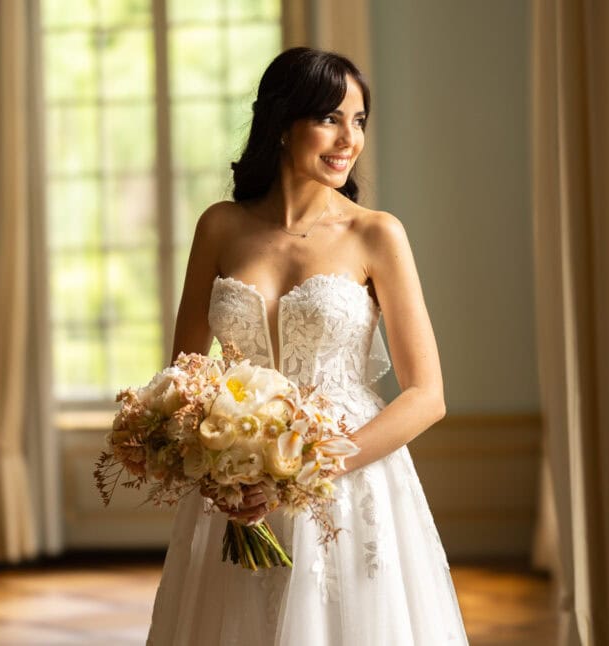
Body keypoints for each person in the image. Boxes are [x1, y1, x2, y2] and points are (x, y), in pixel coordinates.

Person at [146, 47, 469, 645]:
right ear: (280, 122)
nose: (349, 138)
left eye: (360, 120)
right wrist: (223, 469)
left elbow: (428, 396)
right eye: (330, 118)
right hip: (237, 486)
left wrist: (305, 468)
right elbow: (186, 376)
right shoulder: (219, 226)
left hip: (348, 481)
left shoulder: (376, 233)